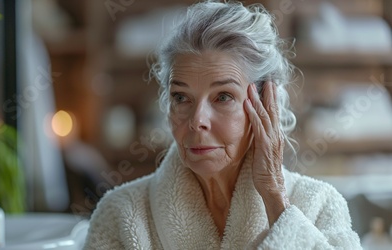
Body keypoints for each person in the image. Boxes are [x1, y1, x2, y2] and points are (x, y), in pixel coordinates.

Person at [84, 1, 361, 249]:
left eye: (223, 97)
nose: (197, 121)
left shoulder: (319, 205)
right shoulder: (121, 214)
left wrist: (276, 200)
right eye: (181, 97)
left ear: (266, 106)